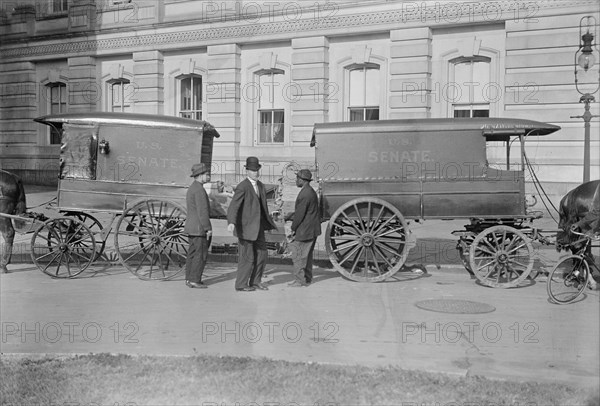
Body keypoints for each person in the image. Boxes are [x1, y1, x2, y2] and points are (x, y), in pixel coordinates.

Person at [227, 157, 277, 292]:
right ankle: (241, 284)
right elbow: (234, 206)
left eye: (257, 170)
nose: (255, 172)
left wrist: (268, 223)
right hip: (245, 228)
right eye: (253, 170)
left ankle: (255, 282)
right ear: (247, 171)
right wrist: (231, 222)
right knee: (247, 257)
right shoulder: (242, 186)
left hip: (259, 227)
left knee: (262, 254)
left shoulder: (260, 185)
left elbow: (263, 207)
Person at [285, 169, 321, 287]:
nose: (296, 181)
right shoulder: (310, 191)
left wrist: (293, 227)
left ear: (301, 180)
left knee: (298, 255)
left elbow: (300, 215)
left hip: (305, 230)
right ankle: (307, 278)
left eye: (297, 179)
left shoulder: (304, 194)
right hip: (312, 230)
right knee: (307, 256)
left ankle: (299, 281)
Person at [184, 163, 212, 289]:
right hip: (199, 228)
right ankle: (195, 280)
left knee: (192, 253)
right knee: (200, 255)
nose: (208, 176)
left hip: (192, 227)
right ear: (200, 176)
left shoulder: (193, 188)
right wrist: (208, 228)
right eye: (206, 174)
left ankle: (189, 279)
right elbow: (203, 212)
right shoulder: (200, 190)